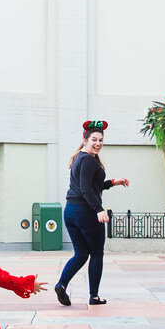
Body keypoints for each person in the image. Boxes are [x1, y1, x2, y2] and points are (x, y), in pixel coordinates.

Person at [55, 122, 128, 306]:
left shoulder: (81, 157)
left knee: (80, 254)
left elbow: (90, 185)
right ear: (85, 139)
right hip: (85, 212)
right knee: (96, 254)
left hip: (71, 211)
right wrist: (99, 209)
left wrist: (113, 182)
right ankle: (94, 296)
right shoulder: (88, 159)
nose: (98, 143)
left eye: (101, 140)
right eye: (94, 139)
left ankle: (61, 285)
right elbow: (86, 188)